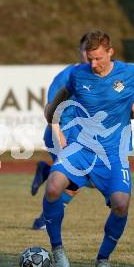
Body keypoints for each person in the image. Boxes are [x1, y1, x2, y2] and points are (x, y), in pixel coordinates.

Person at [43, 30, 134, 267]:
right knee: (53, 187)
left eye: (98, 58)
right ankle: (56, 246)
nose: (93, 64)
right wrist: (53, 119)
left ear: (110, 52)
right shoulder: (78, 74)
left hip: (114, 153)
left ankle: (103, 259)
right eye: (89, 58)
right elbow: (57, 104)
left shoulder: (131, 73)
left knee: (121, 205)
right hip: (80, 147)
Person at [29, 34, 90, 230]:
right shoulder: (67, 75)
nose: (89, 55)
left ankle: (46, 171)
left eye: (93, 51)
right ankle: (45, 220)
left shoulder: (101, 76)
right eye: (85, 50)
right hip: (62, 133)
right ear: (79, 51)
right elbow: (51, 108)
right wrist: (59, 134)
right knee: (74, 178)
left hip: (83, 137)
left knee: (81, 179)